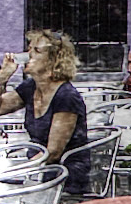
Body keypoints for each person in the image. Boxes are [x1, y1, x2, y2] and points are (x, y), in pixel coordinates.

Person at [16, 28, 98, 190]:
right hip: (40, 167)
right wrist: (2, 78)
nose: (29, 54)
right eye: (29, 49)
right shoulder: (31, 86)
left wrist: (17, 170)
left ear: (53, 60)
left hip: (63, 172)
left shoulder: (66, 96)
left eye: (37, 50)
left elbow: (53, 153)